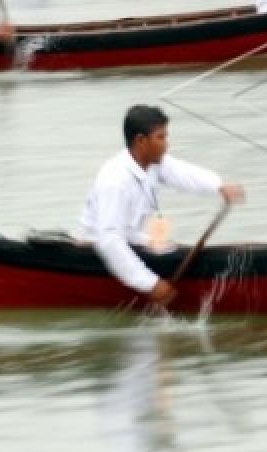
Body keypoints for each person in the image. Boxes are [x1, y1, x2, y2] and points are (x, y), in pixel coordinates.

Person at [79, 105, 246, 306]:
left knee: (167, 245)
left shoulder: (154, 163)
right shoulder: (114, 181)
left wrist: (219, 186)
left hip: (133, 240)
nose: (166, 145)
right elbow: (109, 240)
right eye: (161, 138)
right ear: (141, 141)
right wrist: (150, 284)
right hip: (98, 251)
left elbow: (184, 173)